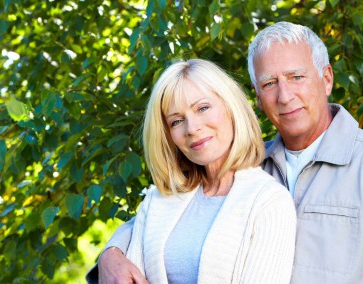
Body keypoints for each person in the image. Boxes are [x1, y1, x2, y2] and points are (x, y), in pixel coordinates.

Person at [88, 22, 363, 284]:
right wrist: (110, 254)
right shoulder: (249, 164)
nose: (284, 96)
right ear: (256, 96)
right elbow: (156, 224)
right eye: (269, 84)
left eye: (297, 77)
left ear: (327, 79)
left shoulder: (357, 163)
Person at [88, 58, 297, 283]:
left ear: (231, 107)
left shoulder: (269, 201)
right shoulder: (158, 199)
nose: (192, 128)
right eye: (176, 121)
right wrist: (109, 254)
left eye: (203, 108)